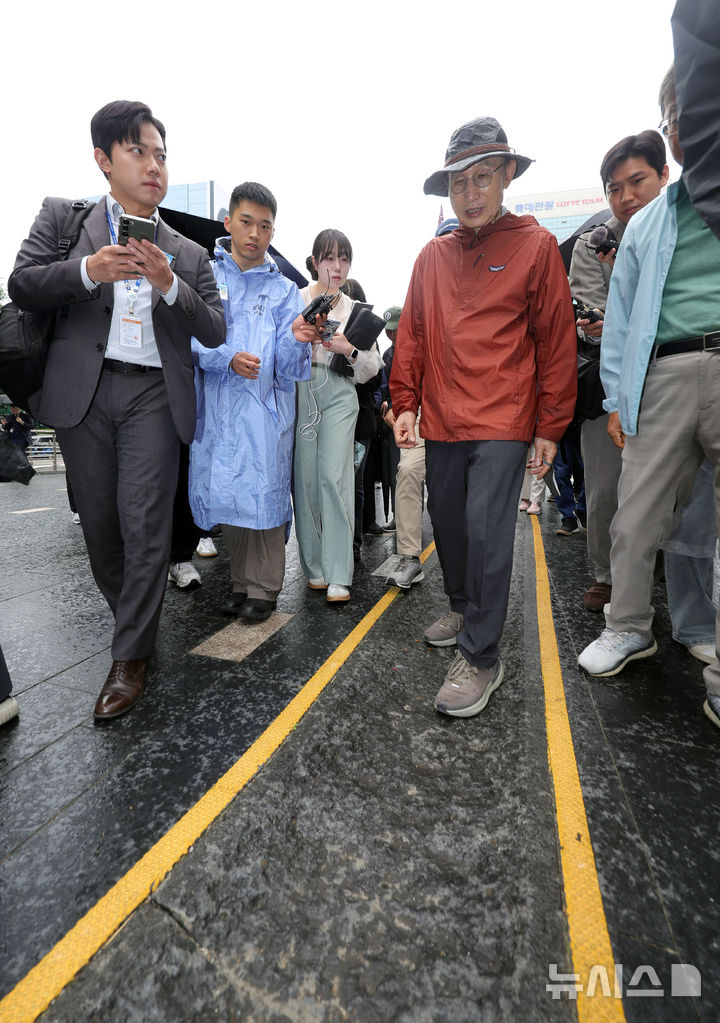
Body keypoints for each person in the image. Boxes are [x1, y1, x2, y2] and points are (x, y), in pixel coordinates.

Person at [8, 100, 226, 720]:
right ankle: (133, 626)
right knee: (101, 527)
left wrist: (169, 285)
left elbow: (214, 328)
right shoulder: (63, 219)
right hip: (84, 391)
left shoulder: (188, 250)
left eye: (161, 155)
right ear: (104, 160)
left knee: (146, 524)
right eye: (139, 152)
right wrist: (86, 270)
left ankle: (129, 656)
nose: (154, 165)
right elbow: (22, 283)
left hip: (155, 396)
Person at [391, 115, 577, 717]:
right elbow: (411, 334)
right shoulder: (431, 256)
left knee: (486, 528)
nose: (470, 195)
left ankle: (480, 654)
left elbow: (555, 340)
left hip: (503, 416)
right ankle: (464, 604)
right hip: (441, 417)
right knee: (446, 520)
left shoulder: (537, 245)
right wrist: (404, 403)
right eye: (458, 184)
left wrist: (550, 425)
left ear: (506, 177)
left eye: (482, 179)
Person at [577, 68, 720, 731]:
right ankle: (629, 626)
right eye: (676, 113)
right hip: (660, 373)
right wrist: (616, 401)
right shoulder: (641, 228)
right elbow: (624, 323)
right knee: (634, 513)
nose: (688, 121)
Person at [190, 182, 316, 624]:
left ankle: (263, 588)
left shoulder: (283, 290)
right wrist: (225, 358)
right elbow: (187, 337)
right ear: (228, 222)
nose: (255, 234)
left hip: (263, 409)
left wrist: (297, 339)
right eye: (247, 222)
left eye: (265, 226)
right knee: (229, 497)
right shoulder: (206, 275)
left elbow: (288, 363)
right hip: (220, 404)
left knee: (262, 496)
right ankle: (242, 584)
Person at [569, 131, 669, 608]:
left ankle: (661, 560)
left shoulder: (686, 226)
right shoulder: (595, 242)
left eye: (636, 181)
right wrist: (603, 326)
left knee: (677, 487)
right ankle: (606, 572)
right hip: (605, 381)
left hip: (673, 375)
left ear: (664, 176)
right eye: (614, 187)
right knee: (605, 484)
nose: (625, 196)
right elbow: (589, 311)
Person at [293, 230, 383, 604]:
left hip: (341, 394)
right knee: (306, 479)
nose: (337, 266)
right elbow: (278, 349)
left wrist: (349, 350)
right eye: (329, 258)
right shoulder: (294, 300)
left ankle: (339, 572)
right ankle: (314, 568)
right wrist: (300, 339)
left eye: (343, 259)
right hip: (301, 389)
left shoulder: (355, 310)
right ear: (315, 261)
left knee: (335, 477)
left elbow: (372, 368)